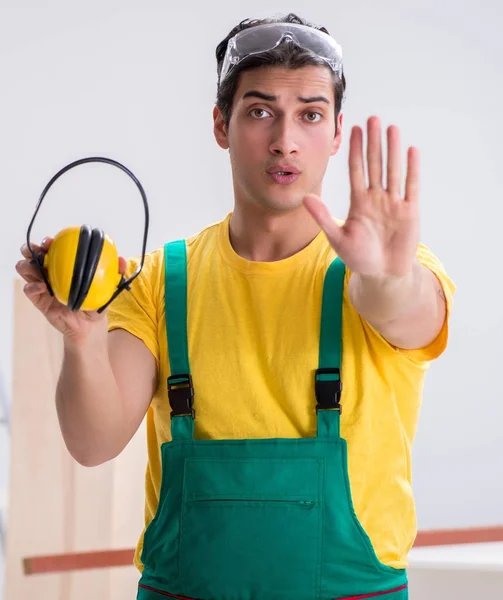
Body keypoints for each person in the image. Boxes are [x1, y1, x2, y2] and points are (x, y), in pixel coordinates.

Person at [16, 12, 455, 600]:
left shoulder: (389, 267)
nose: (285, 139)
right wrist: (81, 335)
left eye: (310, 114)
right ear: (221, 124)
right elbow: (92, 444)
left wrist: (385, 277)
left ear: (336, 130)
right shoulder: (160, 281)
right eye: (259, 110)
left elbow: (402, 309)